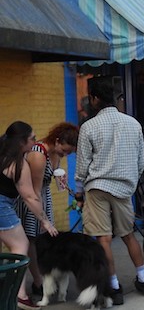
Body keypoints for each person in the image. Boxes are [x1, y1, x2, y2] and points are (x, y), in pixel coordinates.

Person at [75, 76, 144, 304]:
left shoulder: (88, 126)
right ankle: (143, 278)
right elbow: (141, 162)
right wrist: (130, 181)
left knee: (104, 240)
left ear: (95, 99)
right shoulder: (133, 124)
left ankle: (115, 287)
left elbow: (82, 166)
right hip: (124, 188)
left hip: (97, 186)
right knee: (129, 235)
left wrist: (79, 193)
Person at [16, 122, 78, 298]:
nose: (64, 155)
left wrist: (62, 181)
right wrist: (42, 218)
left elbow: (48, 181)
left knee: (42, 240)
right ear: (57, 140)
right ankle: (38, 282)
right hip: (32, 198)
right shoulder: (38, 154)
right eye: (64, 151)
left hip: (44, 195)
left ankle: (43, 278)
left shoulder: (54, 153)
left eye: (68, 153)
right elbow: (33, 192)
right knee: (32, 240)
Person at [0, 122, 58, 310]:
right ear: (21, 141)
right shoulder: (17, 163)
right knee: (20, 245)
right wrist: (45, 221)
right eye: (32, 138)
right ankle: (19, 295)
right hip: (1, 205)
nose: (35, 140)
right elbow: (30, 196)